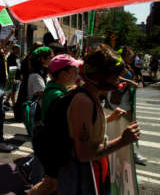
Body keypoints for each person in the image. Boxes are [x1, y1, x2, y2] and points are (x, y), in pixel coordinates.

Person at [56, 44, 141, 195]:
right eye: (114, 76)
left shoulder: (91, 96)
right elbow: (84, 154)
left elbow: (89, 129)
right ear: (99, 76)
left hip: (92, 173)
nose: (117, 80)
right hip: (82, 178)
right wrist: (123, 140)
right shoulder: (84, 101)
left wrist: (109, 119)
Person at [27, 54, 82, 194]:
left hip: (51, 144)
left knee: (50, 184)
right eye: (74, 70)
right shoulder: (56, 94)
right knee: (50, 184)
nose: (77, 73)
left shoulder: (55, 88)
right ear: (63, 73)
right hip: (54, 145)